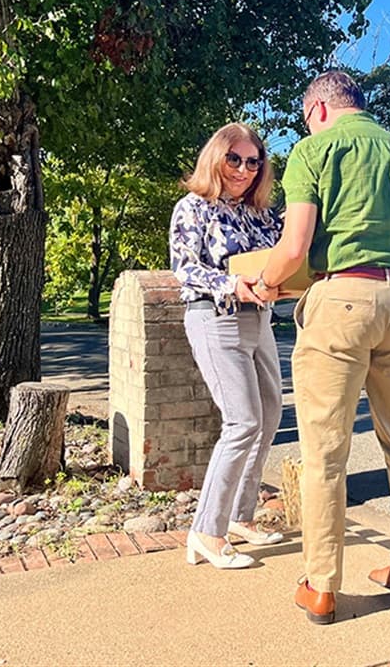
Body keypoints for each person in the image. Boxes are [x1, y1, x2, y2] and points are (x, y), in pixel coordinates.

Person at [255, 71, 390, 625]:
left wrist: (266, 281)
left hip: (342, 301)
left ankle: (321, 585)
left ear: (316, 110)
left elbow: (293, 247)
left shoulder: (312, 152)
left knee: (325, 451)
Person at [169, 122, 286, 570]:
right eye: (234, 159)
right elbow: (184, 270)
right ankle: (206, 530)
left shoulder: (260, 214)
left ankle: (240, 515)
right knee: (242, 422)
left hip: (259, 321)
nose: (243, 169)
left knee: (270, 415)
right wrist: (232, 284)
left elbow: (283, 256)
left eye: (253, 162)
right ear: (215, 158)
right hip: (215, 318)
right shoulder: (192, 208)